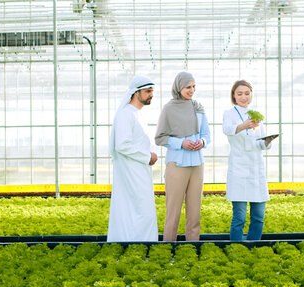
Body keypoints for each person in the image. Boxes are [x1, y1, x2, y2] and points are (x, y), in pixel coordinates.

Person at [155, 71, 211, 241]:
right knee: (173, 211)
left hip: (197, 165)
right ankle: (167, 247)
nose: (192, 90)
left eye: (194, 87)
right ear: (179, 87)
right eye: (188, 87)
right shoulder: (169, 109)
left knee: (195, 212)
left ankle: (192, 247)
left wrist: (202, 141)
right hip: (177, 165)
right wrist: (181, 143)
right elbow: (160, 137)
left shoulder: (198, 107)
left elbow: (207, 135)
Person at [222, 79, 276, 241]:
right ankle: (237, 248)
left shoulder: (257, 115)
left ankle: (253, 247)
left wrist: (267, 142)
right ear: (234, 95)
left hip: (255, 168)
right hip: (238, 168)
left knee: (258, 216)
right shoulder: (229, 113)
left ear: (251, 94)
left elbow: (260, 142)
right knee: (239, 217)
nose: (244, 97)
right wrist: (243, 126)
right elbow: (227, 130)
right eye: (240, 94)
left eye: (247, 93)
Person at [107, 75, 159, 242]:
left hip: (139, 170)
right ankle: (132, 244)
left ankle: (143, 245)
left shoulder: (137, 114)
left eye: (152, 91)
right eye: (148, 91)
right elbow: (122, 145)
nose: (151, 94)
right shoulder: (126, 114)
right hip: (131, 171)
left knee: (141, 209)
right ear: (136, 93)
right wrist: (147, 156)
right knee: (136, 209)